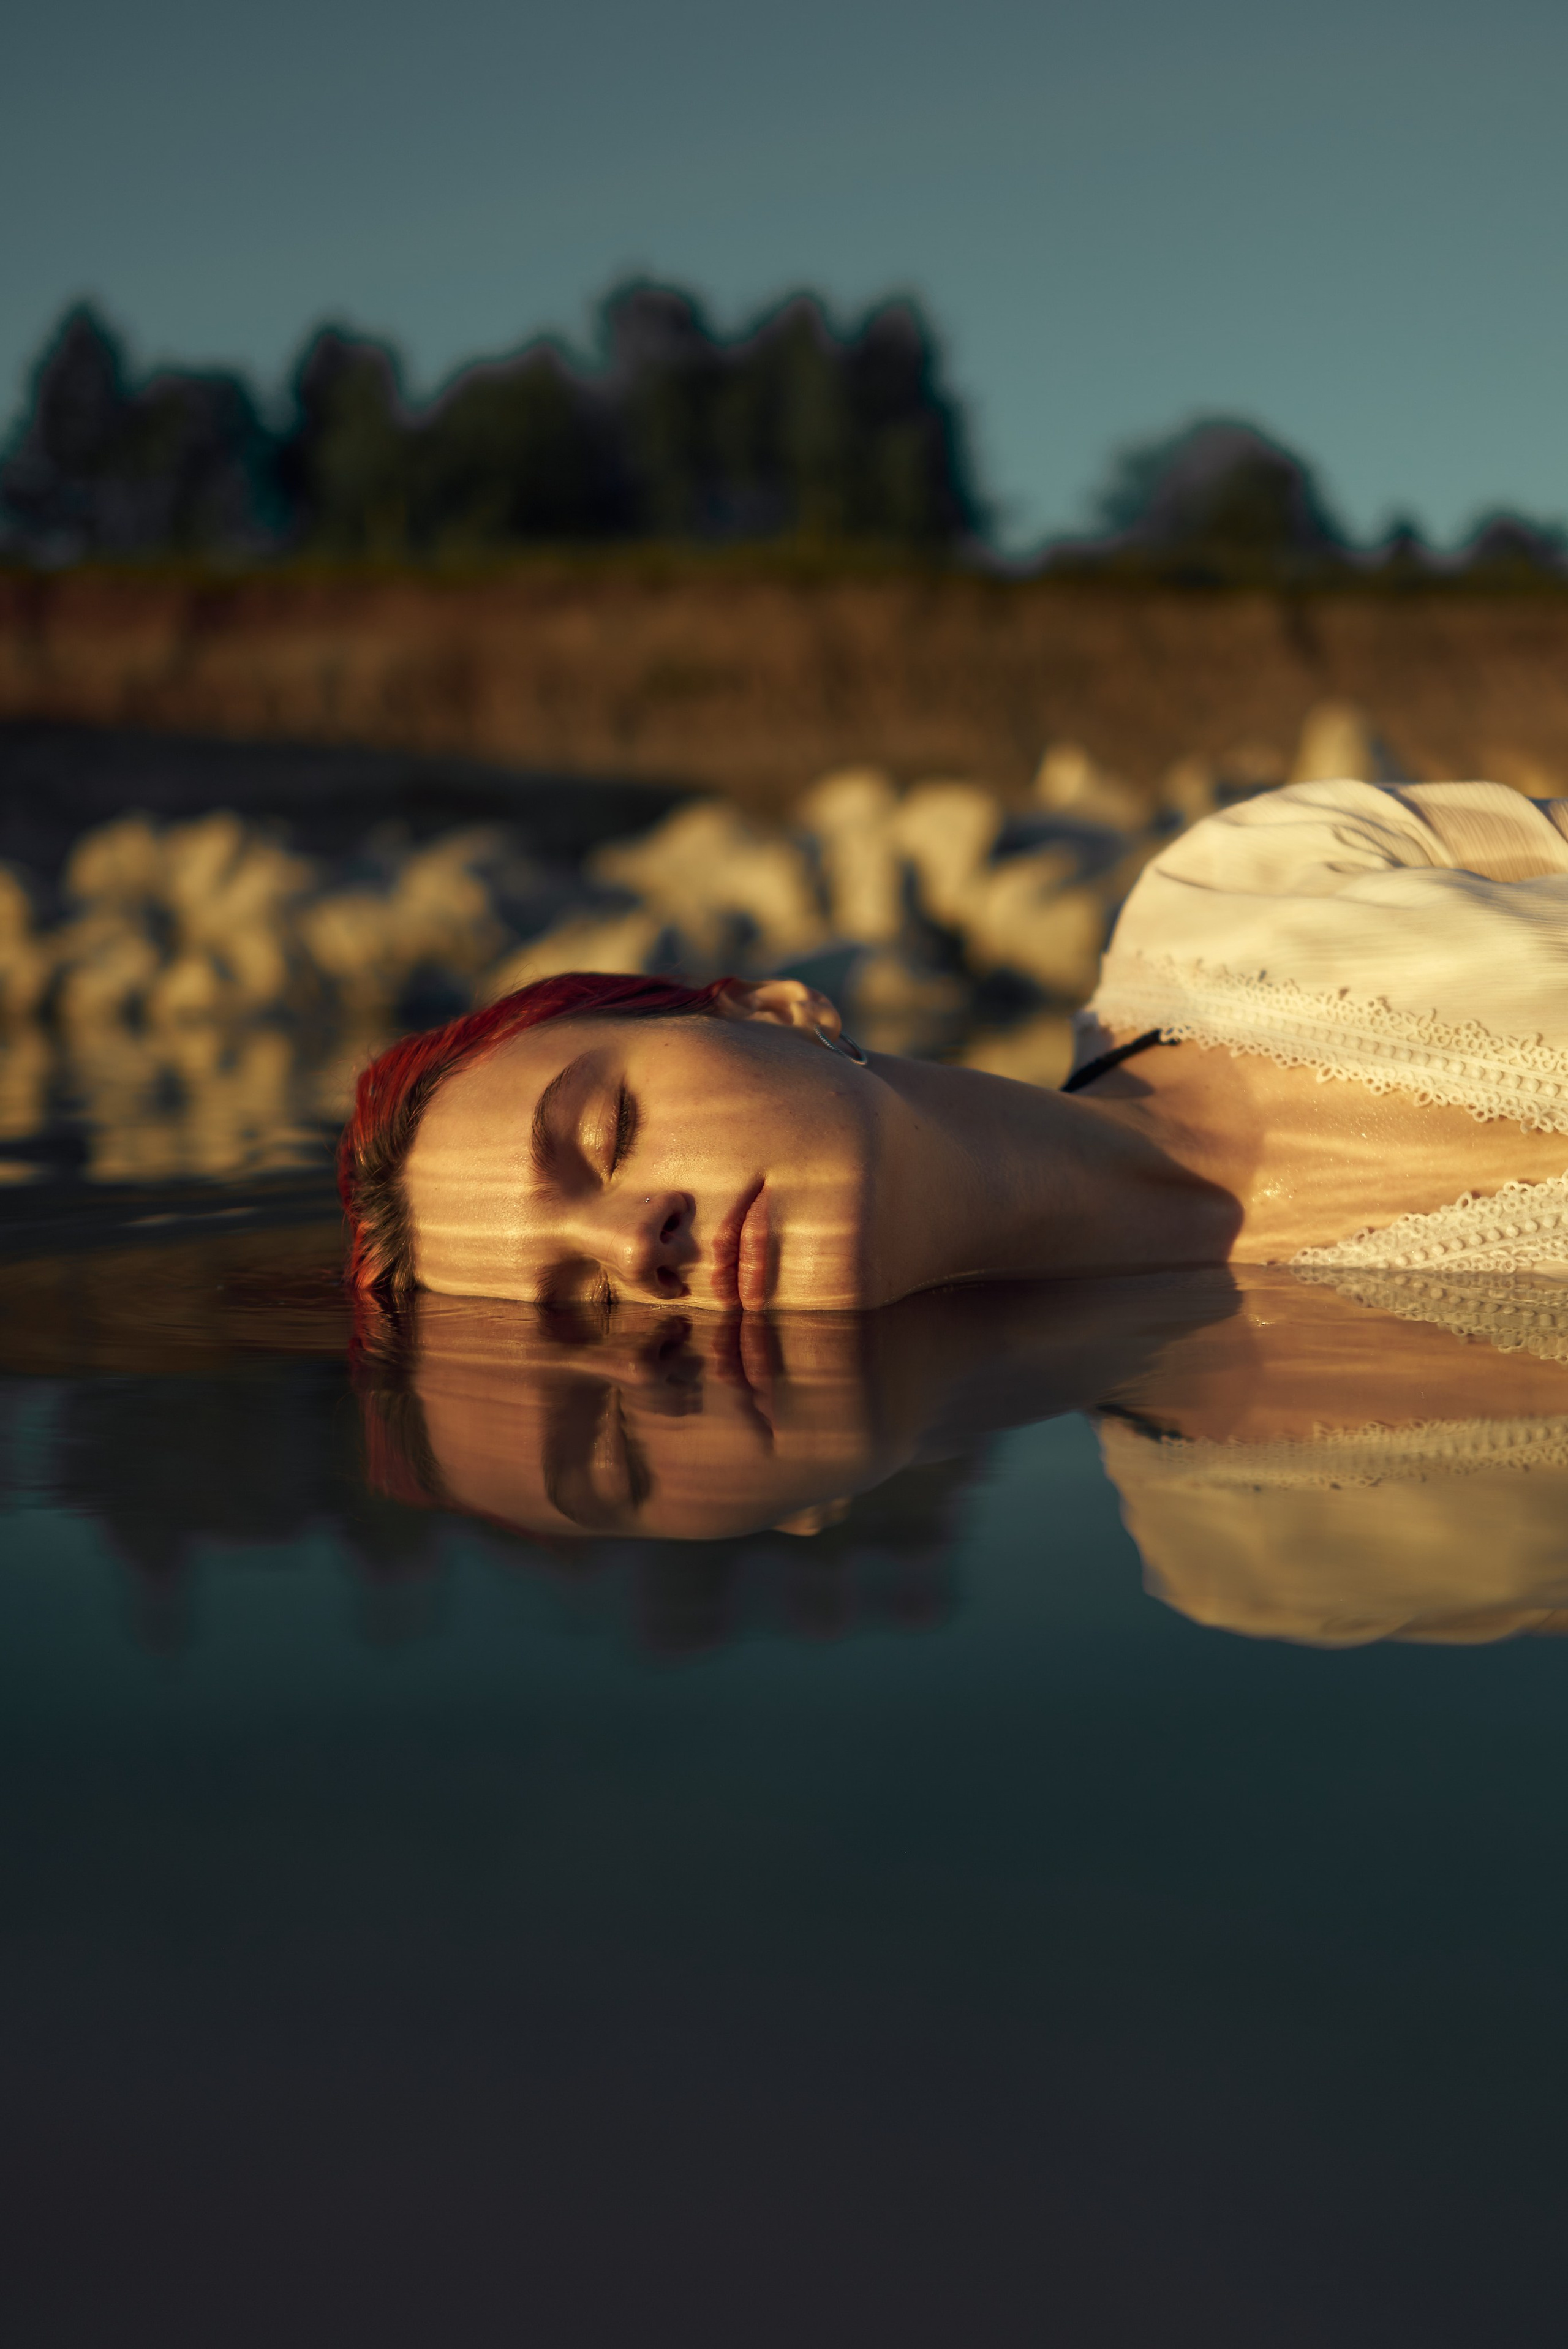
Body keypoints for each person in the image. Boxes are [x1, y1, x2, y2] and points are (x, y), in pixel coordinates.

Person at [339, 778, 1568, 1314]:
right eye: (587, 1304)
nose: (630, 1246)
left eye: (603, 1136)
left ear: (771, 1008)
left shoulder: (1232, 888)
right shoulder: (1256, 1558)